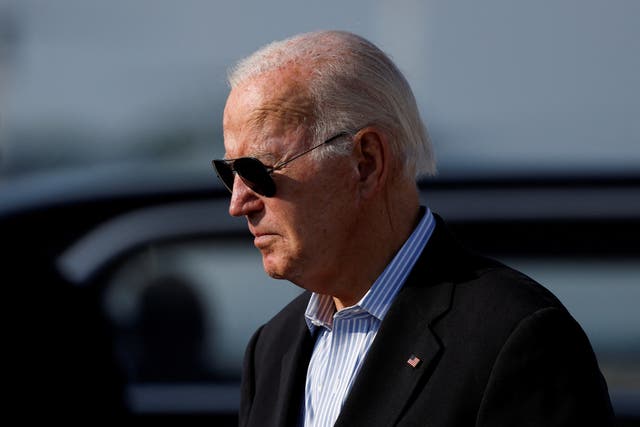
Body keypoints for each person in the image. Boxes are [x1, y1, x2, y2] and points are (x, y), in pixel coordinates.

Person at [212, 30, 614, 427]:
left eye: (257, 171)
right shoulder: (272, 347)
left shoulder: (515, 337)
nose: (238, 204)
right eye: (230, 174)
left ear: (366, 162)